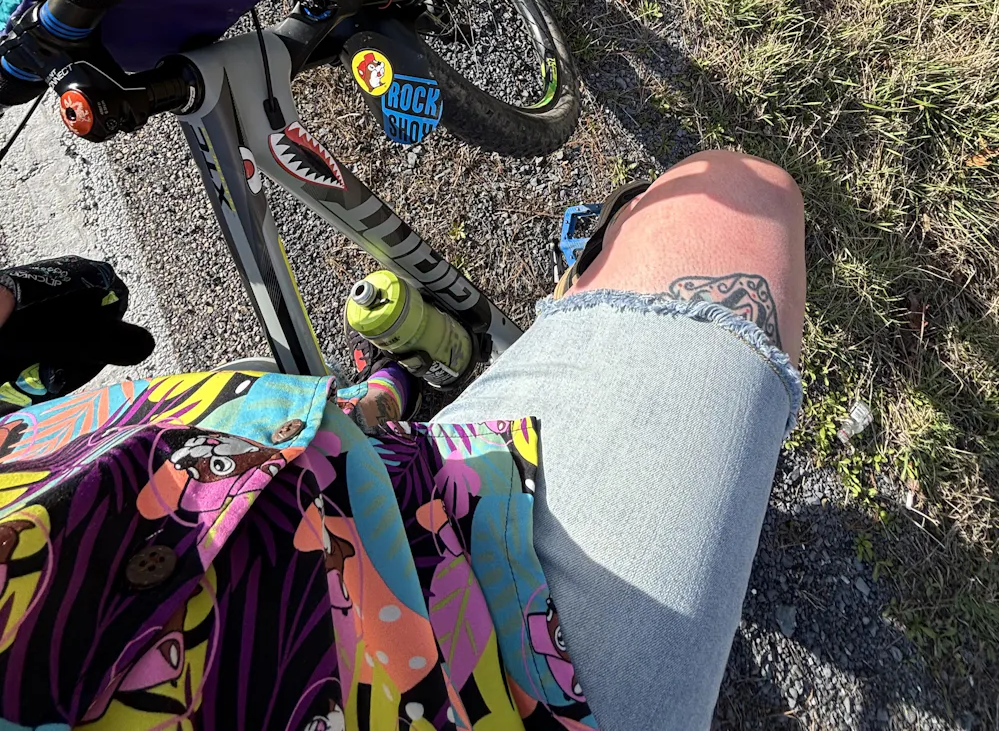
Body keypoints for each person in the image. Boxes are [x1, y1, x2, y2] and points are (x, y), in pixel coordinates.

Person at [0, 149, 804, 730]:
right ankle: (548, 310)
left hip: (297, 465)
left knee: (333, 418)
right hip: (497, 671)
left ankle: (391, 391)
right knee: (737, 201)